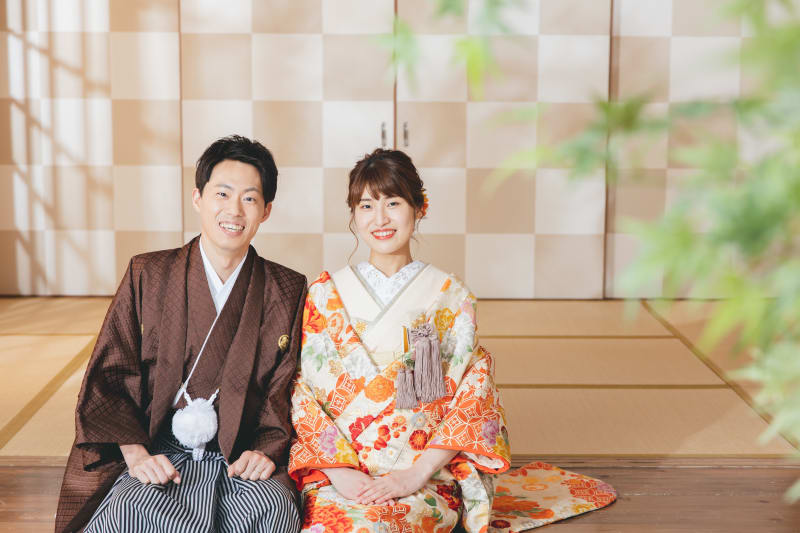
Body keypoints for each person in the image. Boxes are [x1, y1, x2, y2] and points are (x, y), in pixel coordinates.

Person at [55, 135, 306, 533]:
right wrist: (136, 455)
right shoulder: (148, 273)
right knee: (131, 508)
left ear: (266, 211)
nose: (234, 210)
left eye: (249, 198)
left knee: (271, 507)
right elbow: (111, 371)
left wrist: (265, 450)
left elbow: (284, 386)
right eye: (222, 194)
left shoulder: (286, 287)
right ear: (198, 198)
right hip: (158, 446)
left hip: (239, 452)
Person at [289, 149, 511, 532]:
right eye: (366, 206)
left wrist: (416, 473)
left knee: (386, 525)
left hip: (424, 474)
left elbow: (474, 392)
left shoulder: (450, 295)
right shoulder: (325, 295)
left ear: (419, 207)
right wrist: (340, 472)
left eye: (392, 203)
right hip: (339, 472)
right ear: (353, 214)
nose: (380, 219)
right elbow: (302, 388)